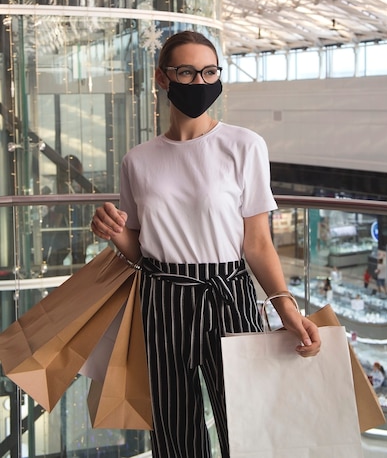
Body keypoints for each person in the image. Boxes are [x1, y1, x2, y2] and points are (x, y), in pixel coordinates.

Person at [91, 30, 321, 458]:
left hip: (228, 291)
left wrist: (286, 307)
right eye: (187, 72)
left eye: (209, 72)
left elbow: (257, 243)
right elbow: (141, 251)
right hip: (163, 297)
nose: (200, 83)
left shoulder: (244, 145)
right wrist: (112, 230)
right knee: (174, 430)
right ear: (163, 78)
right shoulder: (137, 160)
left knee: (247, 423)